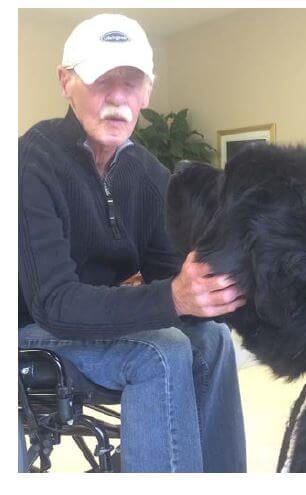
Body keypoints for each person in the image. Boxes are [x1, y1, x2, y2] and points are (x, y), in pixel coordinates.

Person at [18, 14, 247, 472]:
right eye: (103, 79)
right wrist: (173, 296)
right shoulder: (31, 162)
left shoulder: (145, 173)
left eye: (131, 82)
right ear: (66, 82)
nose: (118, 97)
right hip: (30, 328)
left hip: (101, 324)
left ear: (147, 91)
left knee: (213, 339)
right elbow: (53, 304)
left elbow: (172, 271)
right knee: (159, 350)